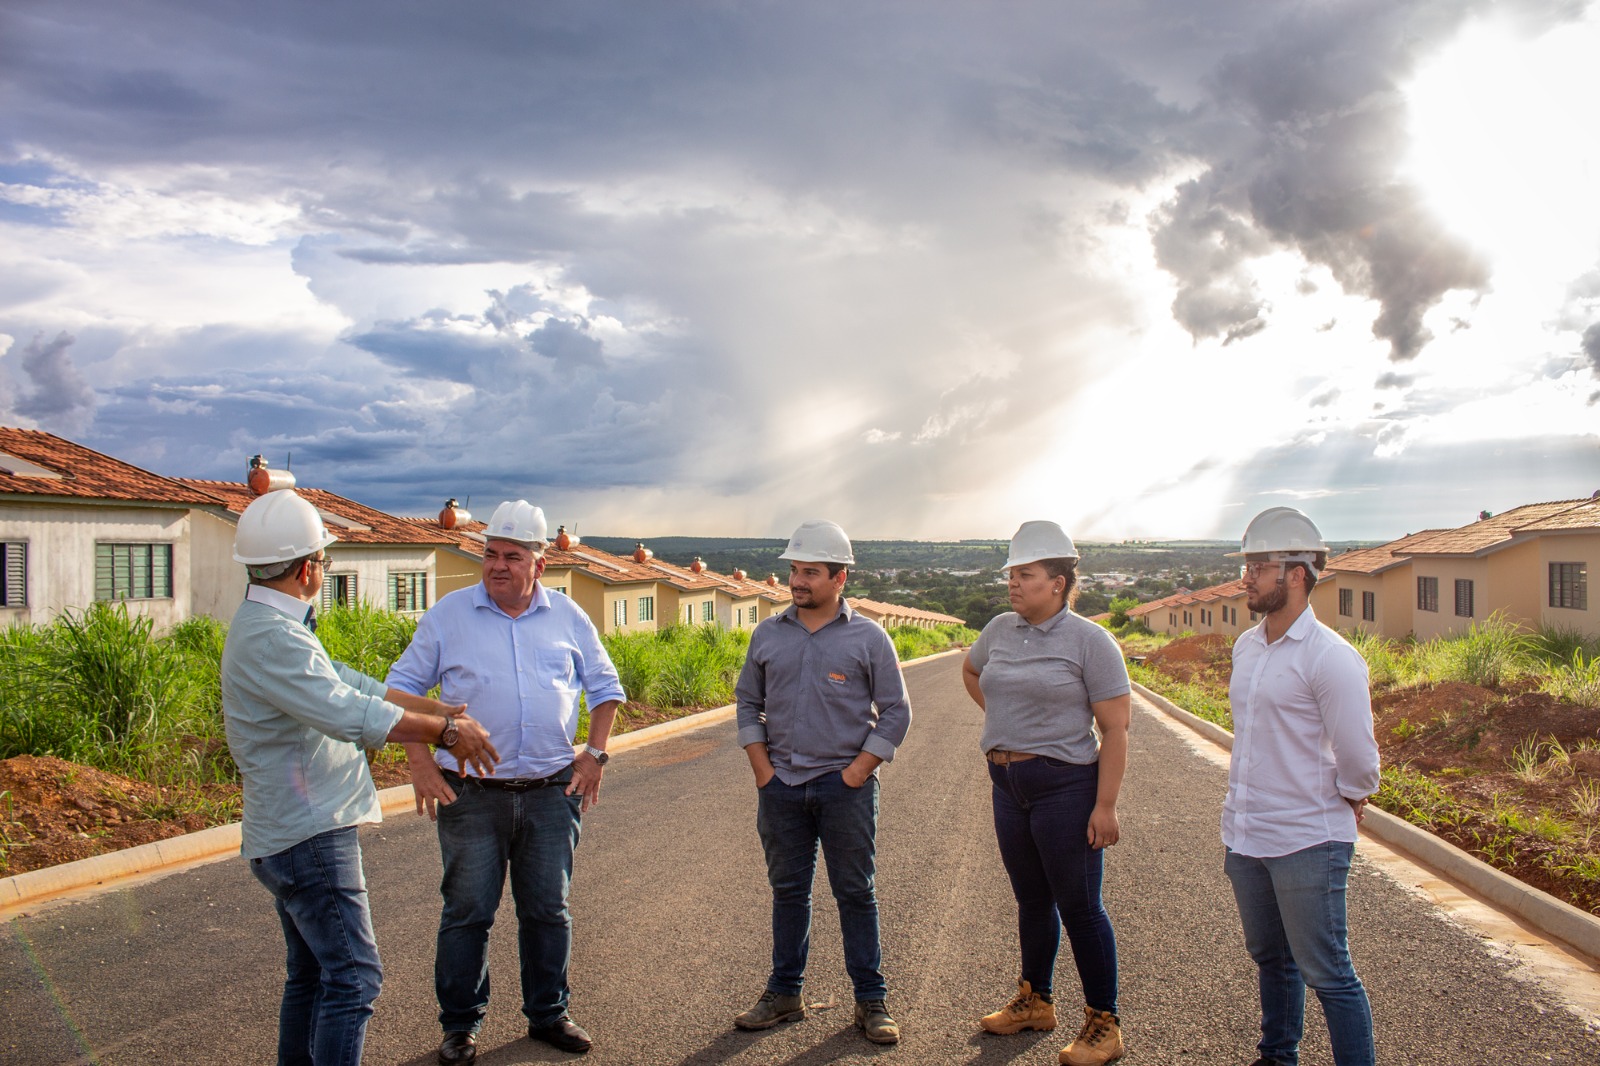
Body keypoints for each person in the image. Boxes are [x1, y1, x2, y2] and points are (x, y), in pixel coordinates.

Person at [222, 489, 498, 1066]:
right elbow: (350, 715)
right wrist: (444, 735)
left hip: (290, 833)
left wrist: (443, 711)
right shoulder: (275, 638)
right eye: (322, 559)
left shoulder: (275, 628)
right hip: (309, 836)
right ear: (307, 569)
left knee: (314, 975)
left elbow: (359, 687)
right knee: (354, 980)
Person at [390, 500, 625, 1064]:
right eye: (490, 554)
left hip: (551, 793)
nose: (497, 565)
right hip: (470, 796)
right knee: (467, 911)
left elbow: (606, 687)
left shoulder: (568, 616)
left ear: (539, 564)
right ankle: (460, 1026)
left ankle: (549, 1014)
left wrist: (594, 755)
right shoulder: (449, 614)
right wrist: (420, 764)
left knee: (547, 909)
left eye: (512, 556)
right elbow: (397, 694)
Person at [731, 519, 913, 1044]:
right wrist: (762, 768)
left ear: (840, 578)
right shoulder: (768, 634)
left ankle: (871, 1001)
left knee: (856, 892)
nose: (797, 581)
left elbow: (897, 711)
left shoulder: (868, 637)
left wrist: (858, 771)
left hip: (843, 788)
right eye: (794, 570)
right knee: (789, 892)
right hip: (782, 786)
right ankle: (785, 992)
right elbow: (748, 702)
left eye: (810, 572)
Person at [961, 521, 1131, 1066]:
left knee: (1080, 907)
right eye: (1011, 573)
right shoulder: (999, 629)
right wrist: (1009, 722)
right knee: (1032, 901)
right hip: (1007, 785)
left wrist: (1105, 805)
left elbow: (1117, 728)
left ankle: (1104, 1024)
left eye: (1025, 574)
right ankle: (1035, 1001)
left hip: (1066, 787)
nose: (1013, 582)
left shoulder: (1090, 641)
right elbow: (971, 670)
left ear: (1058, 582)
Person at [1224, 507, 1380, 1066]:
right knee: (1272, 959)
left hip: (1309, 839)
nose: (1247, 578)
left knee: (1329, 973)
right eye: (1246, 566)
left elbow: (1359, 758)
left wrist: (1349, 796)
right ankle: (1277, 1056)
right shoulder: (1247, 648)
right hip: (1247, 834)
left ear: (1295, 574)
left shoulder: (1331, 658)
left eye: (1257, 566)